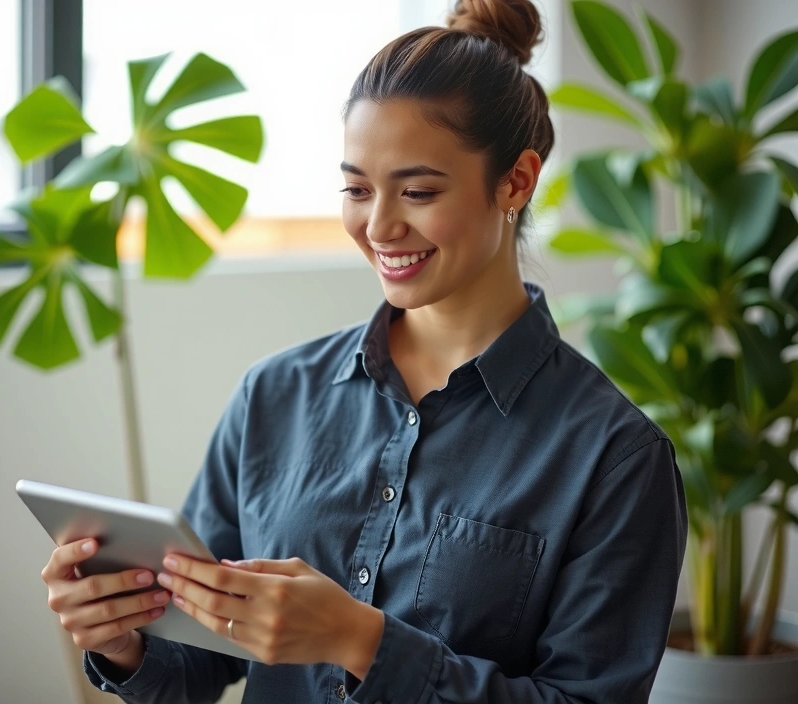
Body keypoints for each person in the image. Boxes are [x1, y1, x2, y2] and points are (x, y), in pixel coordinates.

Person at [39, 0, 688, 701]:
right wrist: (123, 642)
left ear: (516, 181)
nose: (379, 226)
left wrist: (361, 641)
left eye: (417, 190)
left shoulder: (615, 459)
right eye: (356, 188)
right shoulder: (274, 396)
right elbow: (198, 663)